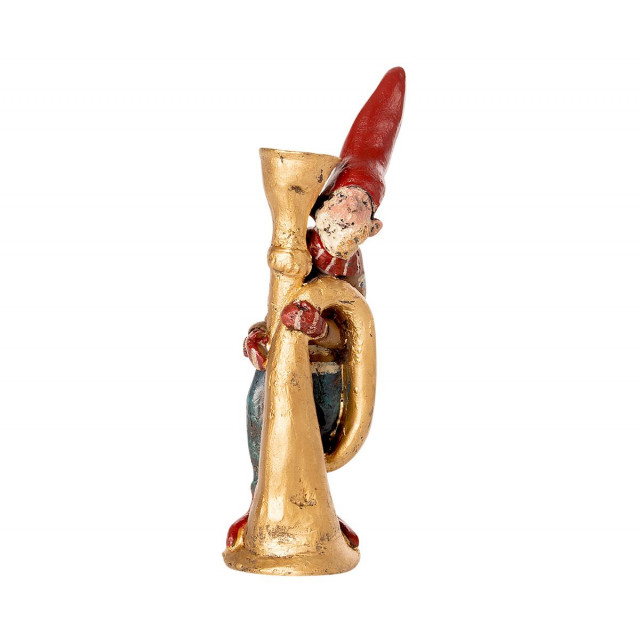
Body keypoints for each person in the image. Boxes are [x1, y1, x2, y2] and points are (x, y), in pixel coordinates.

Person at [227, 67, 405, 548]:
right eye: (341, 199)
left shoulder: (351, 271)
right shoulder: (295, 248)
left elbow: (352, 328)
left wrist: (318, 330)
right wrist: (261, 334)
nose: (346, 212)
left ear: (372, 228)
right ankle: (261, 505)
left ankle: (313, 510)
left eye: (360, 206)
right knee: (261, 421)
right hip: (277, 367)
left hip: (323, 371)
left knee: (314, 438)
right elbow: (275, 309)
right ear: (322, 204)